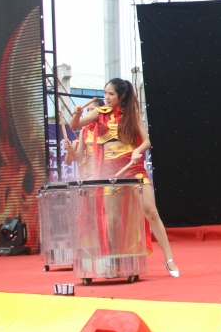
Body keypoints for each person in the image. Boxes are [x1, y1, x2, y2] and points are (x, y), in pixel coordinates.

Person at [70, 78, 181, 277]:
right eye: (105, 93)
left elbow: (146, 141)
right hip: (109, 171)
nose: (106, 97)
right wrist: (77, 113)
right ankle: (114, 261)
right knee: (112, 220)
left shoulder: (132, 114)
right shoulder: (99, 113)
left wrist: (137, 150)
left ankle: (169, 259)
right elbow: (75, 125)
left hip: (132, 167)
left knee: (151, 212)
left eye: (111, 94)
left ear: (122, 96)